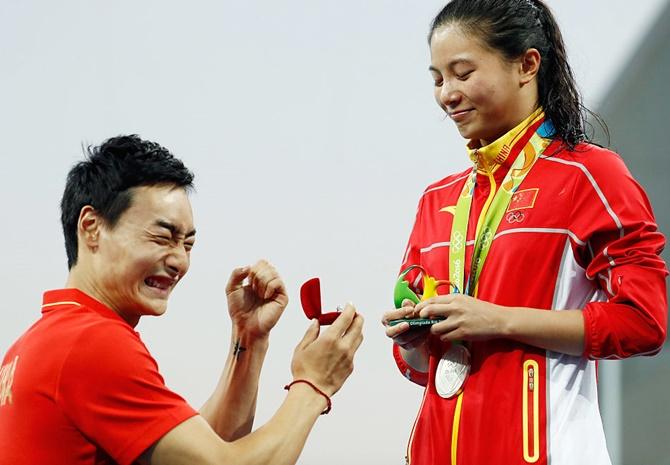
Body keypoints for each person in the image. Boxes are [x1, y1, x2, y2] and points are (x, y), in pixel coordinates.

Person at [382, 1, 667, 464]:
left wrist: (498, 320)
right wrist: (415, 340)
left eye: (463, 72)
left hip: (546, 452)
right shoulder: (437, 200)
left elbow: (644, 322)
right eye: (437, 78)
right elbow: (420, 368)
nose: (447, 94)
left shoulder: (589, 176)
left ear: (526, 64)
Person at [0, 135, 364, 465]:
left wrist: (248, 340)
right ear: (92, 227)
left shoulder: (38, 342)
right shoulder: (91, 344)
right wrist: (315, 384)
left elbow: (197, 451)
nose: (180, 261)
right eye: (163, 237)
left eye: (188, 243)